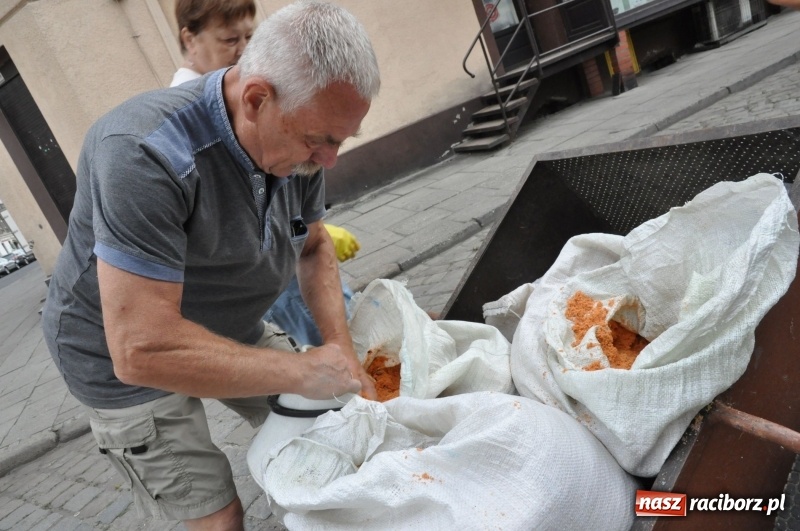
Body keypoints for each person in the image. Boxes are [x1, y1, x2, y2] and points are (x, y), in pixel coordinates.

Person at [41, 2, 380, 529]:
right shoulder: (142, 152)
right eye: (320, 141)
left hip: (226, 321)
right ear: (256, 99)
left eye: (341, 139)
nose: (331, 159)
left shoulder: (303, 141)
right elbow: (141, 349)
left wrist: (338, 351)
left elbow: (313, 247)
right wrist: (300, 369)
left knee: (336, 424)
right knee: (216, 516)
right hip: (118, 355)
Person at [173, 0, 363, 348]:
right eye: (230, 39)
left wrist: (306, 223)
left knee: (342, 334)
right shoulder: (185, 126)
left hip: (285, 256)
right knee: (319, 348)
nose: (243, 49)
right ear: (190, 39)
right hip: (258, 277)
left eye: (250, 35)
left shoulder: (273, 96)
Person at [171, 0, 256, 87]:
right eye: (230, 39)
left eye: (248, 36)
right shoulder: (189, 95)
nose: (245, 49)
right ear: (190, 40)